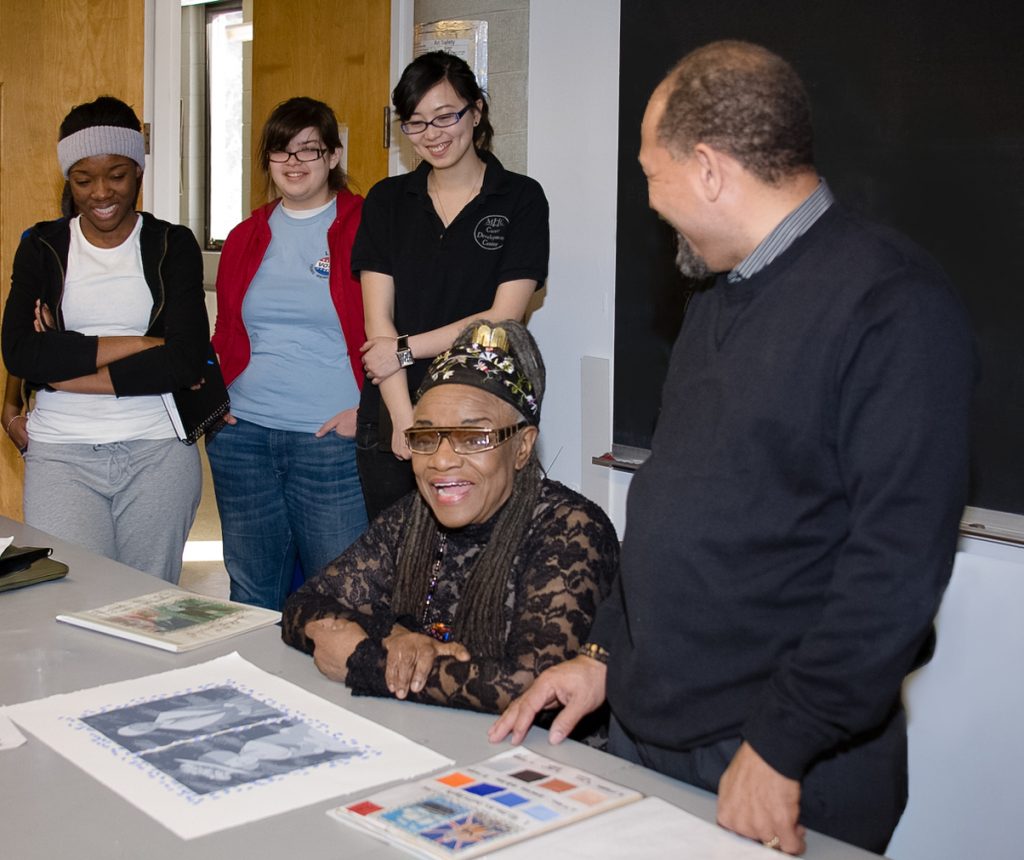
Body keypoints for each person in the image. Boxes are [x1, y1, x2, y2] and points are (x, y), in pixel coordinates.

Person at [490, 41, 975, 855]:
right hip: (655, 732)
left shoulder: (895, 307)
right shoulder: (718, 300)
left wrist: (784, 742)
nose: (652, 204)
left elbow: (893, 568)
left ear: (710, 169)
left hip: (777, 759)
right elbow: (680, 502)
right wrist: (605, 654)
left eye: (653, 175)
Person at [281, 320, 618, 716]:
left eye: (473, 438)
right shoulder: (413, 517)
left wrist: (366, 662)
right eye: (426, 437)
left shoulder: (571, 529)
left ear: (523, 447)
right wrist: (397, 636)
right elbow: (304, 603)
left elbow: (533, 684)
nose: (441, 460)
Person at [1, 96, 208, 582]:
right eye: (83, 179)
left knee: (147, 604)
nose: (100, 192)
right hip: (60, 455)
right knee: (72, 596)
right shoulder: (41, 246)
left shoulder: (172, 244)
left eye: (116, 175)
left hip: (157, 450)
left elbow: (184, 361)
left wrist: (67, 372)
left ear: (138, 170)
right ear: (68, 180)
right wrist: (143, 343)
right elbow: (22, 352)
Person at [354, 51, 549, 519]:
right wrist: (408, 422)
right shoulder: (387, 200)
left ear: (476, 111)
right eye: (416, 122)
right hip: (394, 414)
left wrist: (403, 350)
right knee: (397, 557)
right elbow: (378, 324)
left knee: (483, 556)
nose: (432, 134)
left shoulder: (520, 198)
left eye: (445, 116)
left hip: (484, 420)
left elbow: (503, 317)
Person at [208, 97, 367, 610]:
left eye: (309, 150)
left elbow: (393, 330)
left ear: (333, 156)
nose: (293, 162)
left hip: (330, 442)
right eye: (281, 150)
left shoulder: (367, 227)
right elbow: (226, 330)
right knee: (250, 597)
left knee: (341, 600)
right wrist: (214, 403)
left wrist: (368, 412)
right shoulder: (246, 235)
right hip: (243, 438)